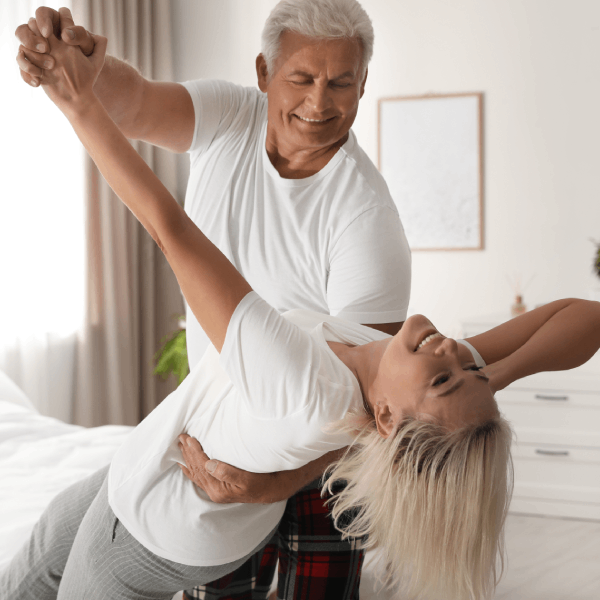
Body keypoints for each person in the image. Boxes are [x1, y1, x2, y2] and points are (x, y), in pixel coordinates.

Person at [4, 29, 600, 600]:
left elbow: (171, 229)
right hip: (157, 478)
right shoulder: (398, 368)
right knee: (45, 548)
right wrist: (487, 380)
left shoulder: (304, 379)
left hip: (150, 523)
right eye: (469, 368)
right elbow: (584, 315)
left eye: (449, 377)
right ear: (265, 74)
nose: (455, 353)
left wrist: (77, 104)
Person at [15, 2, 412, 598]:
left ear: (363, 84)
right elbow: (135, 101)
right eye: (302, 78)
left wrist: (274, 484)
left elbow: (375, 406)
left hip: (323, 466)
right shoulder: (230, 116)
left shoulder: (366, 221)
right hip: (219, 433)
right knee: (61, 545)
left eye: (341, 82)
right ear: (264, 72)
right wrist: (74, 65)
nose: (320, 101)